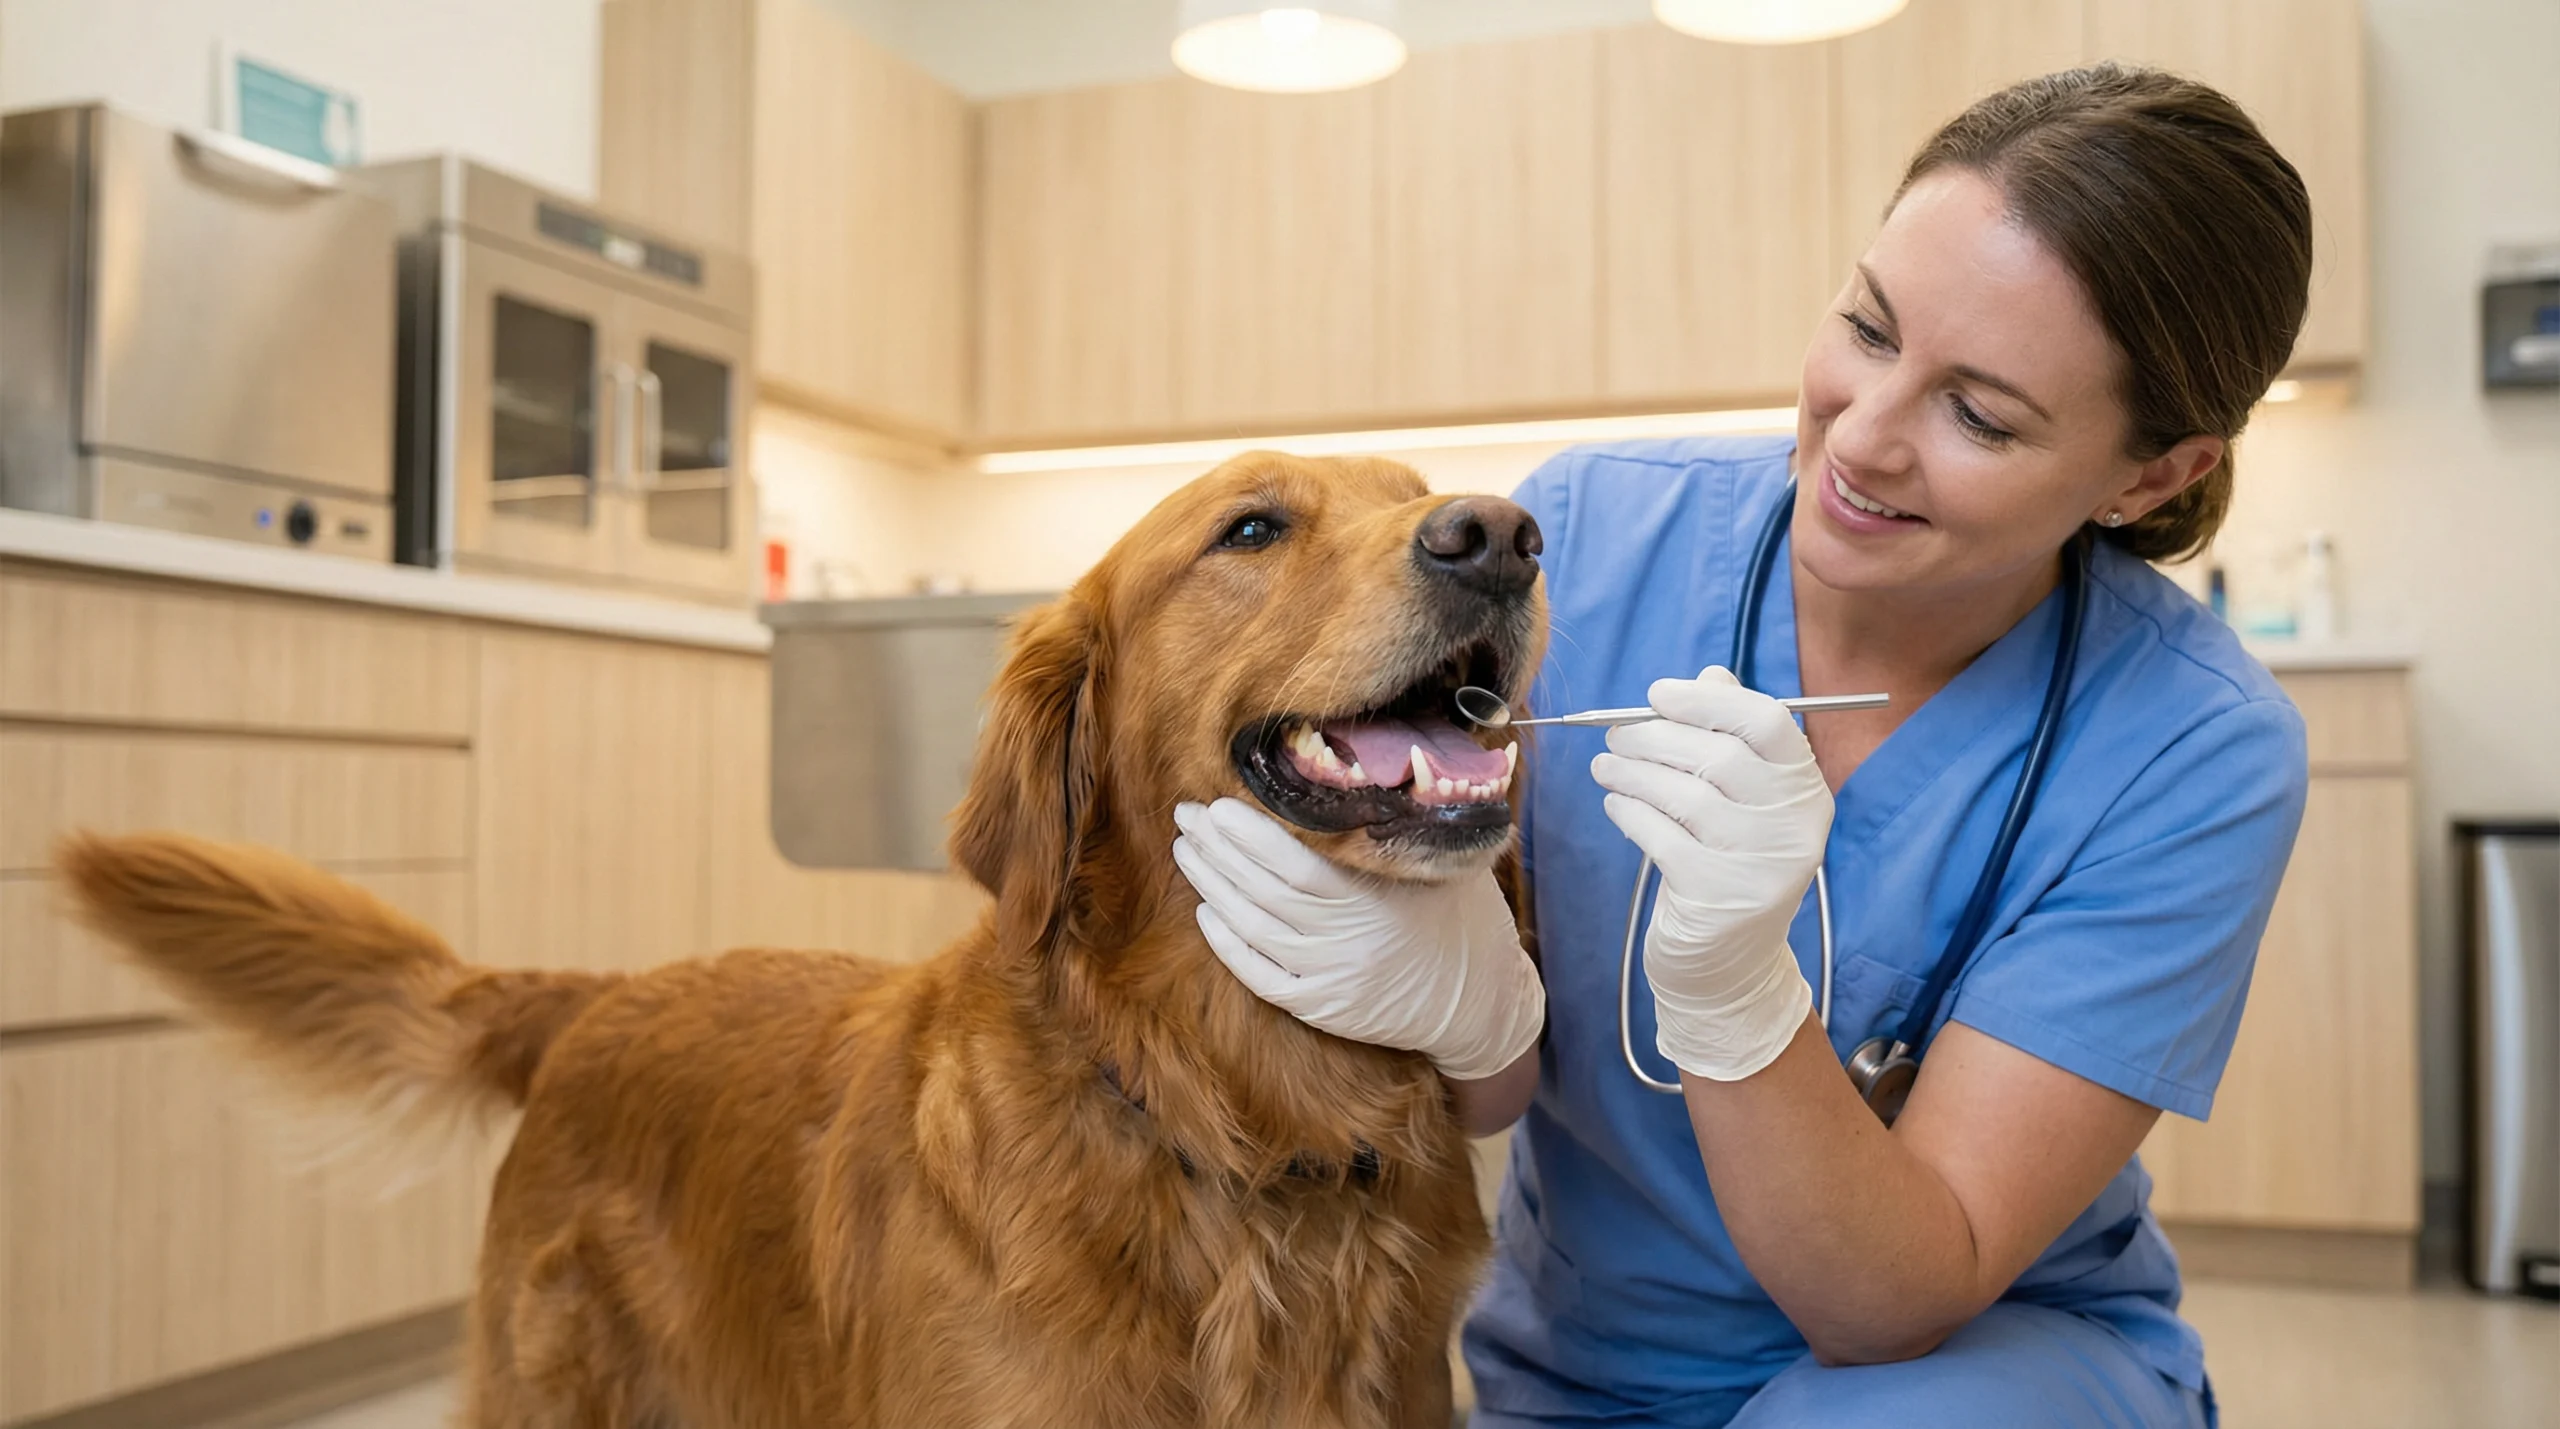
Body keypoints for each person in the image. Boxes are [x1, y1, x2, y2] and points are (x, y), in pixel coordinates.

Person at [1170, 63, 2317, 1426]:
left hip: (1960, 1374)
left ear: (2150, 474)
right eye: (1871, 330)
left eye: (1981, 415)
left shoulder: (2191, 747)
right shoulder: (1589, 540)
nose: (1867, 438)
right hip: (1578, 1373)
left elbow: (1893, 1297)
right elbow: (1494, 1088)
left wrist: (1734, 996)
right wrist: (1460, 1004)